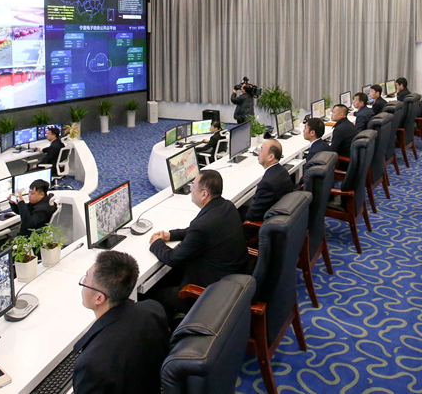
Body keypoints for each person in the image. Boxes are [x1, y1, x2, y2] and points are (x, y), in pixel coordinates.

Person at [147, 170, 248, 317]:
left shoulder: (202, 226)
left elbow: (173, 258)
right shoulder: (227, 206)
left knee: (151, 296)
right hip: (231, 277)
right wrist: (171, 235)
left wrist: (156, 244)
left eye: (193, 186)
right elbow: (196, 231)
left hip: (209, 292)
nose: (190, 190)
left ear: (204, 194)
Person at [74, 251, 170, 394]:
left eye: (85, 281)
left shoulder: (91, 363)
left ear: (99, 298)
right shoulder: (153, 310)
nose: (83, 285)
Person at [239, 139, 295, 222]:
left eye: (261, 150)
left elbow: (252, 215)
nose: (258, 153)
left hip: (263, 223)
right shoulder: (283, 171)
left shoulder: (267, 184)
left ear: (271, 157)